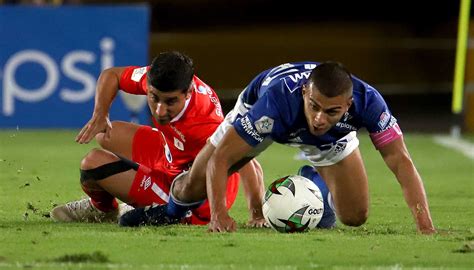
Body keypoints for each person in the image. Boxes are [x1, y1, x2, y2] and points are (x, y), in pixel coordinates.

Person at [120, 61, 436, 234]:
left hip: (331, 144)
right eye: (314, 106)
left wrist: (425, 225)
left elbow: (400, 161)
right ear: (304, 92)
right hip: (264, 119)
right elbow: (222, 158)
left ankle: (312, 181)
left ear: (349, 105)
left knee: (355, 217)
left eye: (332, 112)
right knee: (194, 186)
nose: (319, 118)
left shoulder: (369, 102)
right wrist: (219, 215)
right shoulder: (274, 103)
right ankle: (169, 212)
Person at [50, 51, 265, 226]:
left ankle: (102, 209)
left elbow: (248, 159)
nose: (160, 111)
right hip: (174, 154)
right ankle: (134, 195)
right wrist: (100, 113)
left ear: (188, 92)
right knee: (107, 133)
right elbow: (111, 75)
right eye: (154, 98)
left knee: (92, 163)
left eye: (170, 102)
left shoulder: (204, 123)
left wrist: (256, 214)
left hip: (195, 195)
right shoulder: (156, 79)